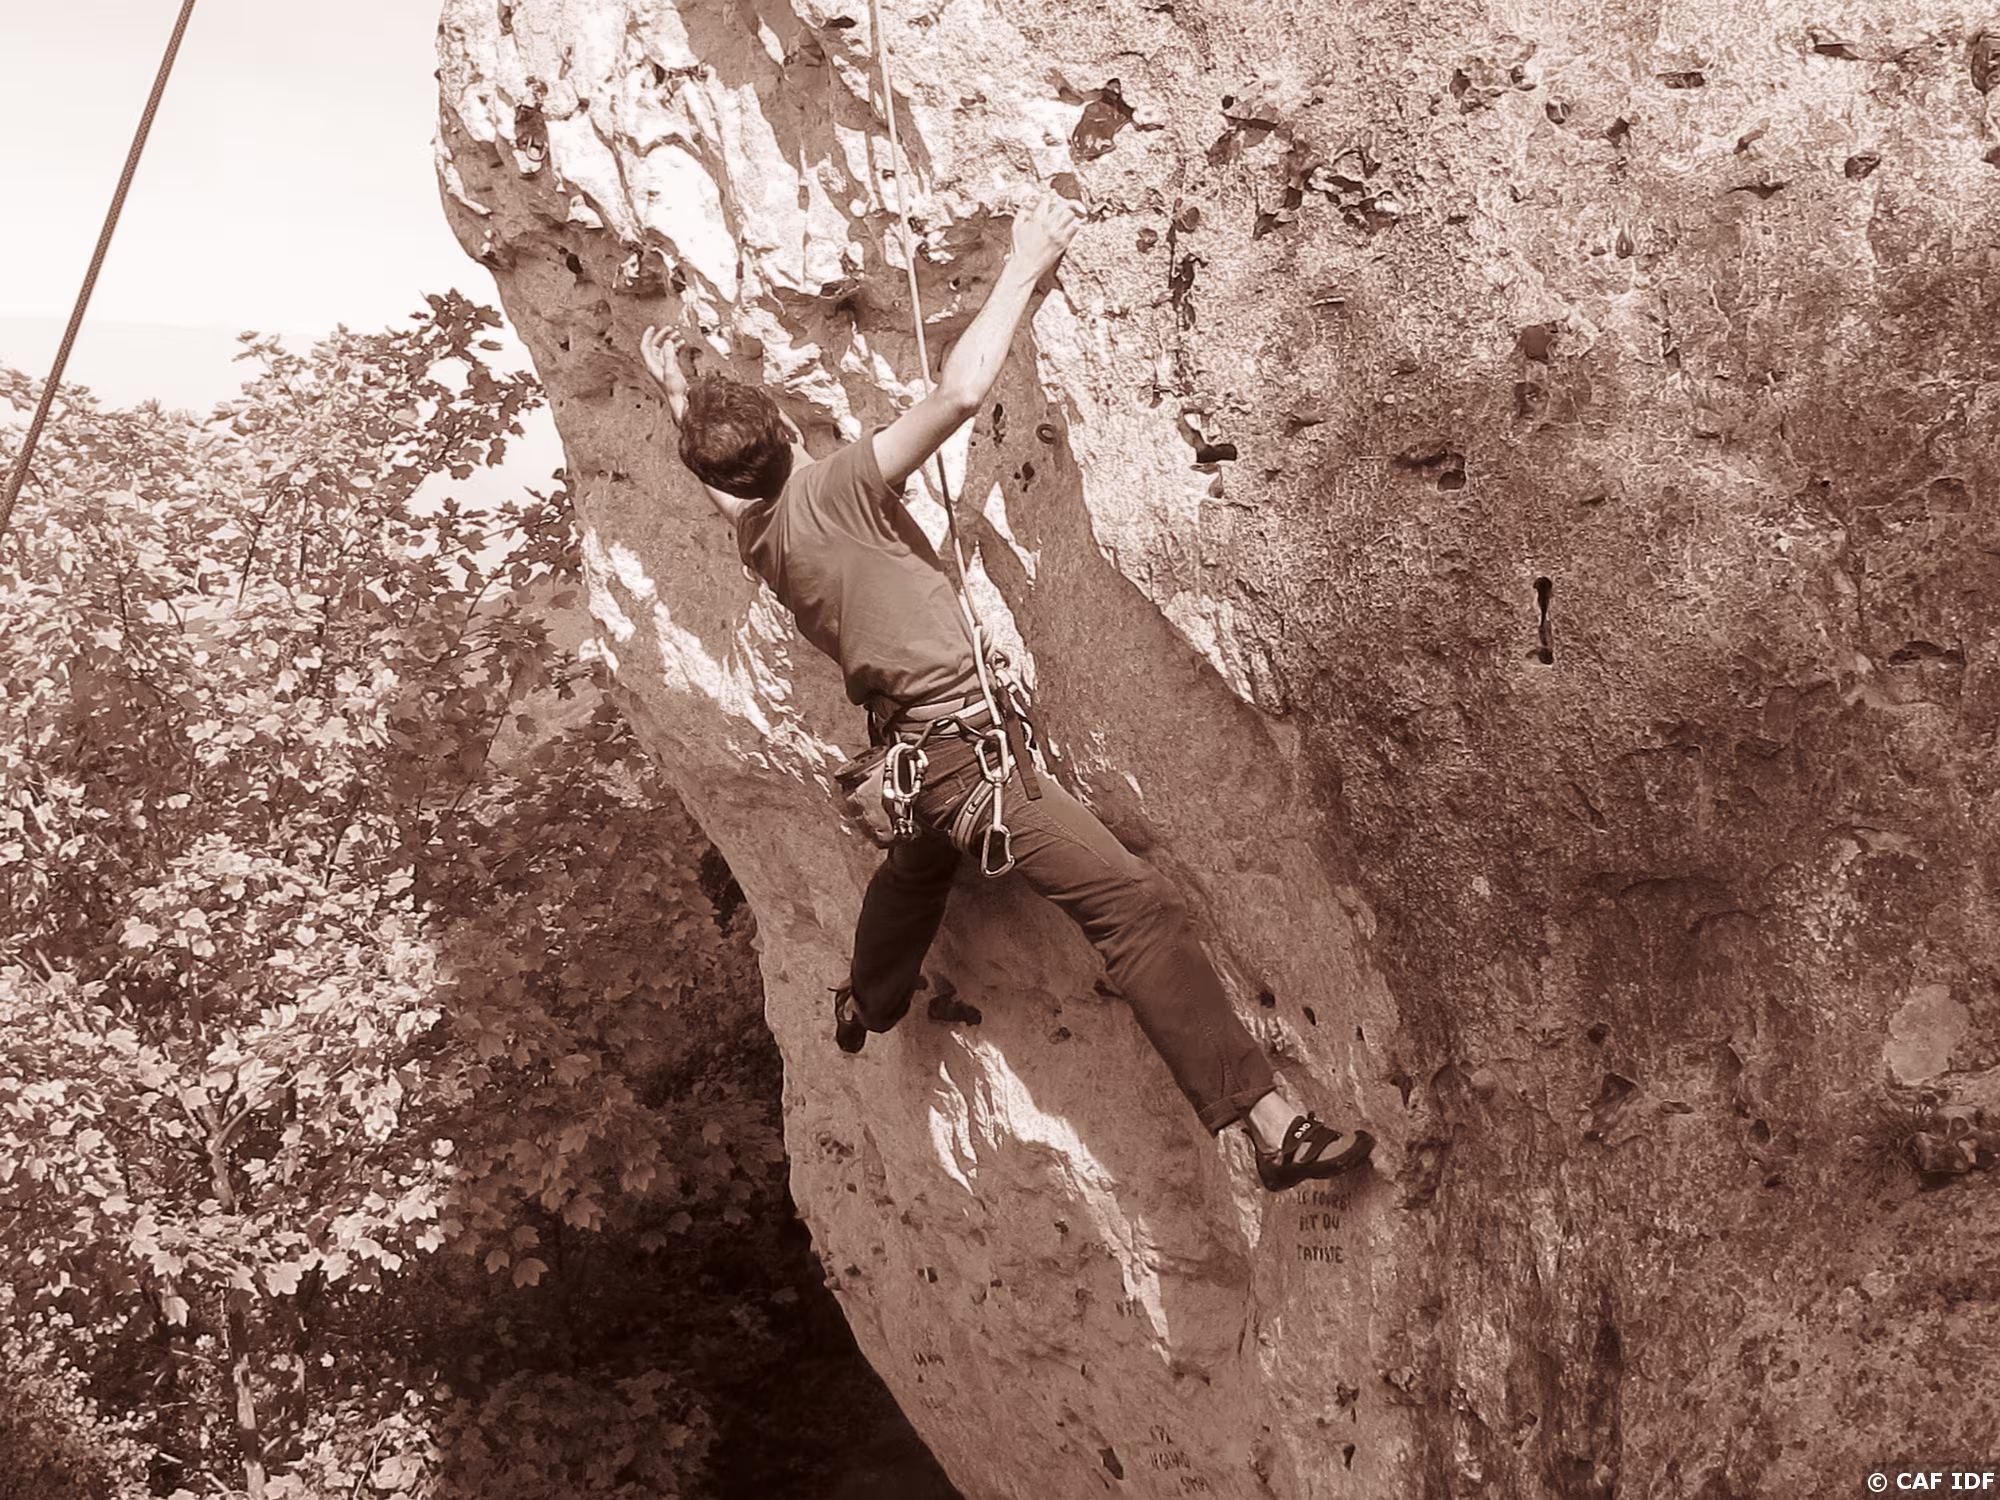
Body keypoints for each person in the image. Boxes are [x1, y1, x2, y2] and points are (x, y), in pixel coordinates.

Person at [639, 192, 1373, 1191]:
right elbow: (957, 396)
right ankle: (1268, 1126)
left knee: (917, 870)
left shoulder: (759, 535)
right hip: (968, 762)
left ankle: (867, 1001)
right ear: (783, 431)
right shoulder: (836, 487)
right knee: (1136, 909)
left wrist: (676, 397)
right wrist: (1025, 262)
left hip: (918, 759)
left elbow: (724, 478)